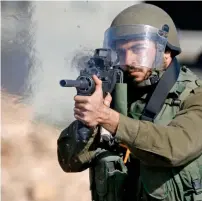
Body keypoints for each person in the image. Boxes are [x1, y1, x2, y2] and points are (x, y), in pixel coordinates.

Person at [57, 3, 202, 201]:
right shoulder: (116, 94)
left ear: (166, 52)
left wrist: (108, 118)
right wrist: (86, 125)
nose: (129, 59)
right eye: (121, 51)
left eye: (138, 49)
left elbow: (175, 147)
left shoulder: (194, 94)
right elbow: (69, 162)